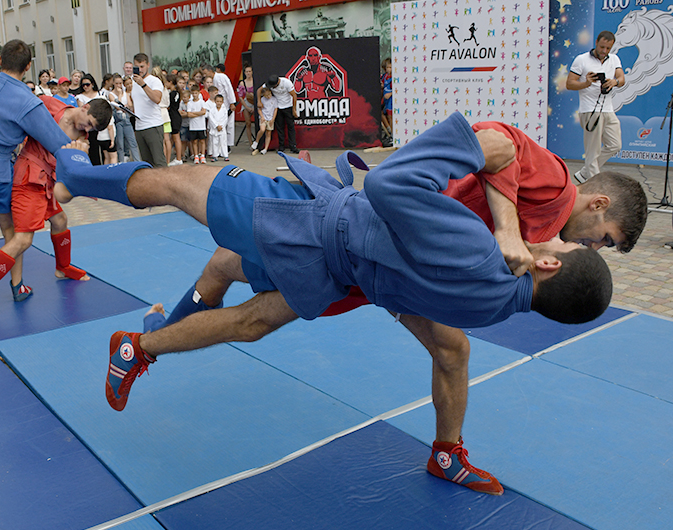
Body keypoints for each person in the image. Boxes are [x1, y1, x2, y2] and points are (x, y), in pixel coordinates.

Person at [140, 118, 647, 495]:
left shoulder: (550, 241)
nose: (593, 248)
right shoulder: (557, 189)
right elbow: (500, 140)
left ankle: (447, 454)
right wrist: (507, 224)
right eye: (603, 240)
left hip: (403, 270)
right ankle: (153, 337)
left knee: (451, 348)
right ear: (599, 206)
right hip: (378, 242)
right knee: (236, 277)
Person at [51, 114, 613, 432]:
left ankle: (76, 175)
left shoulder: (481, 248)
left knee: (176, 184)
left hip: (310, 226)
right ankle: (139, 348)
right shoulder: (491, 311)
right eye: (592, 238)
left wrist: (499, 225)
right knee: (253, 318)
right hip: (340, 281)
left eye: (571, 246)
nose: (567, 237)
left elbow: (401, 183)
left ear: (548, 262)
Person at [0, 39, 72, 309]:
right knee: (13, 234)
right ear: (28, 67)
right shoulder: (28, 101)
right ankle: (17, 286)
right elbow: (57, 142)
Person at [0, 97, 111, 315]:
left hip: (48, 183)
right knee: (23, 239)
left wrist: (81, 156)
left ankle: (62, 267)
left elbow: (76, 164)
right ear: (84, 107)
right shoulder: (50, 105)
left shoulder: (82, 136)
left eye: (92, 128)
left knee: (60, 220)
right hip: (28, 180)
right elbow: (18, 109)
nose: (87, 128)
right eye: (88, 122)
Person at [566, 30, 625, 184]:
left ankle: (585, 172)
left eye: (608, 48)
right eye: (602, 47)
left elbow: (621, 78)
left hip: (608, 109)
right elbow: (569, 83)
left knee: (615, 145)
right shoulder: (581, 60)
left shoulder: (614, 59)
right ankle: (595, 185)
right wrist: (586, 83)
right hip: (590, 110)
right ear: (596, 42)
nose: (604, 51)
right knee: (593, 151)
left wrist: (614, 82)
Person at [132, 53, 168, 168]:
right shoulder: (133, 82)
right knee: (146, 163)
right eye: (137, 67)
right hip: (139, 126)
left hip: (153, 125)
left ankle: (166, 184)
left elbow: (157, 99)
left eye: (142, 66)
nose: (140, 70)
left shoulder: (154, 81)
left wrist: (143, 84)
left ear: (148, 65)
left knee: (159, 161)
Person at [256, 75, 298, 153]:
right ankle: (281, 147)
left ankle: (293, 146)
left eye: (273, 86)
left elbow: (294, 95)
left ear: (278, 82)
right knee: (280, 127)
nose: (273, 88)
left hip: (288, 106)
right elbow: (259, 90)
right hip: (278, 107)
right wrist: (259, 101)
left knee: (290, 127)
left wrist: (294, 109)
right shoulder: (269, 83)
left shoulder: (286, 83)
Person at [203, 64, 236, 147]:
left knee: (228, 124)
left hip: (226, 104)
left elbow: (229, 88)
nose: (205, 75)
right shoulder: (212, 81)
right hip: (216, 105)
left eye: (206, 73)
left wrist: (232, 102)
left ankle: (227, 145)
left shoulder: (222, 76)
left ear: (210, 71)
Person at [251, 87, 277, 155]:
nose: (268, 96)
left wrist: (273, 119)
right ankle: (256, 141)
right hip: (263, 117)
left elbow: (275, 110)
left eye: (269, 94)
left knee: (268, 133)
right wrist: (262, 116)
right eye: (266, 95)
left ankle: (265, 148)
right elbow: (259, 109)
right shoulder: (262, 100)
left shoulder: (274, 100)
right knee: (262, 129)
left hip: (270, 118)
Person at [186, 84, 207, 164]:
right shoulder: (190, 103)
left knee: (202, 140)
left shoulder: (202, 102)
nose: (194, 95)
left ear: (198, 93)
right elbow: (188, 114)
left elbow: (204, 112)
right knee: (194, 141)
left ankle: (202, 155)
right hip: (193, 126)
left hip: (201, 125)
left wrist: (194, 113)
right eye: (193, 93)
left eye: (196, 93)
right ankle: (196, 155)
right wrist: (199, 113)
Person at [237, 65, 255, 147]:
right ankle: (250, 143)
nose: (248, 73)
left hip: (255, 102)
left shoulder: (255, 81)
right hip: (246, 103)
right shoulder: (242, 83)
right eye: (246, 71)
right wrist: (247, 107)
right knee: (248, 123)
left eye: (249, 71)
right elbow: (240, 97)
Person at [208, 94, 229, 162]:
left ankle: (225, 155)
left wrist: (221, 126)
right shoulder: (212, 110)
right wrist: (216, 126)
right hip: (215, 129)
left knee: (223, 142)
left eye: (220, 101)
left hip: (222, 129)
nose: (219, 103)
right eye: (217, 101)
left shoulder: (224, 110)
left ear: (222, 102)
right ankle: (215, 155)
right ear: (215, 101)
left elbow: (225, 119)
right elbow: (211, 119)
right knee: (215, 142)